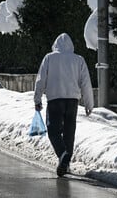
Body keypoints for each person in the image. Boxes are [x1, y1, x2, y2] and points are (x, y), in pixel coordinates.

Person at [34, 33, 94, 177]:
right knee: (69, 132)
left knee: (53, 131)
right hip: (73, 101)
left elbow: (41, 79)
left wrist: (37, 99)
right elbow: (86, 82)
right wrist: (89, 103)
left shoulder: (49, 58)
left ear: (55, 45)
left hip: (55, 99)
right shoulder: (79, 59)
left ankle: (62, 154)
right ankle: (66, 163)